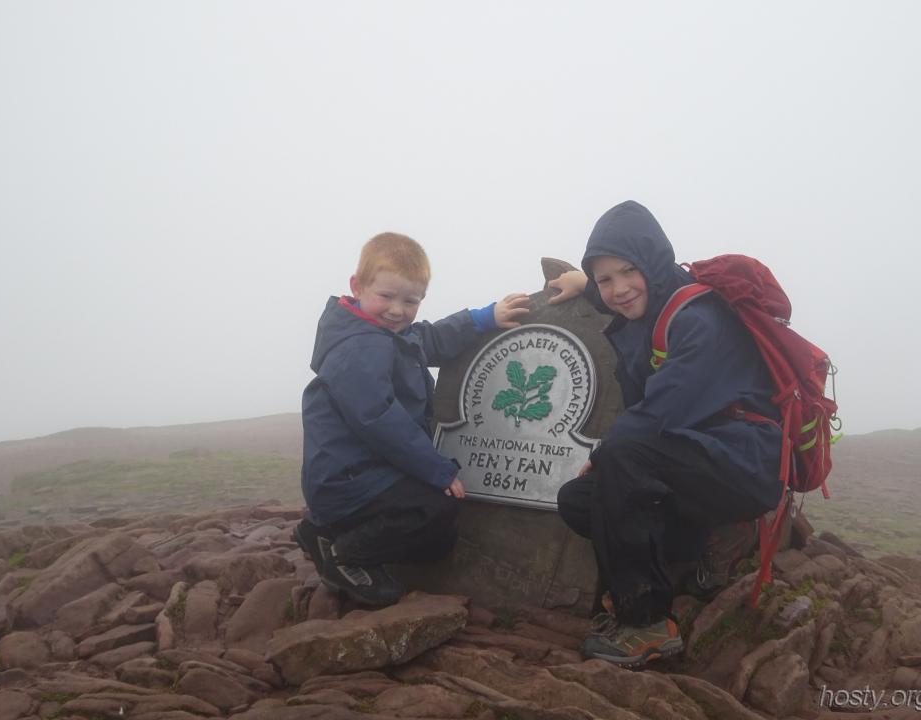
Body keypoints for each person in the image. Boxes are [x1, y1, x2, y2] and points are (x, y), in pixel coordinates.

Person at [546, 201, 782, 667]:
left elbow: (662, 411)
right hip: (693, 459)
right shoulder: (646, 301)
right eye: (605, 279)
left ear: (652, 263)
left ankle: (647, 622)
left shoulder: (699, 320)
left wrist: (607, 452)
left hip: (743, 463)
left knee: (623, 457)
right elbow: (619, 294)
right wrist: (583, 282)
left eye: (628, 271)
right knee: (580, 500)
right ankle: (704, 547)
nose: (618, 289)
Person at [296, 231, 529, 606]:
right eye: (386, 296)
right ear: (357, 286)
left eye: (410, 301)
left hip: (368, 471)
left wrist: (483, 318)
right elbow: (379, 419)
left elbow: (429, 338)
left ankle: (319, 530)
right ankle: (344, 556)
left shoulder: (386, 334)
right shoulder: (357, 347)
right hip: (347, 479)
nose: (397, 310)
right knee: (434, 510)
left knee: (439, 539)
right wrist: (437, 469)